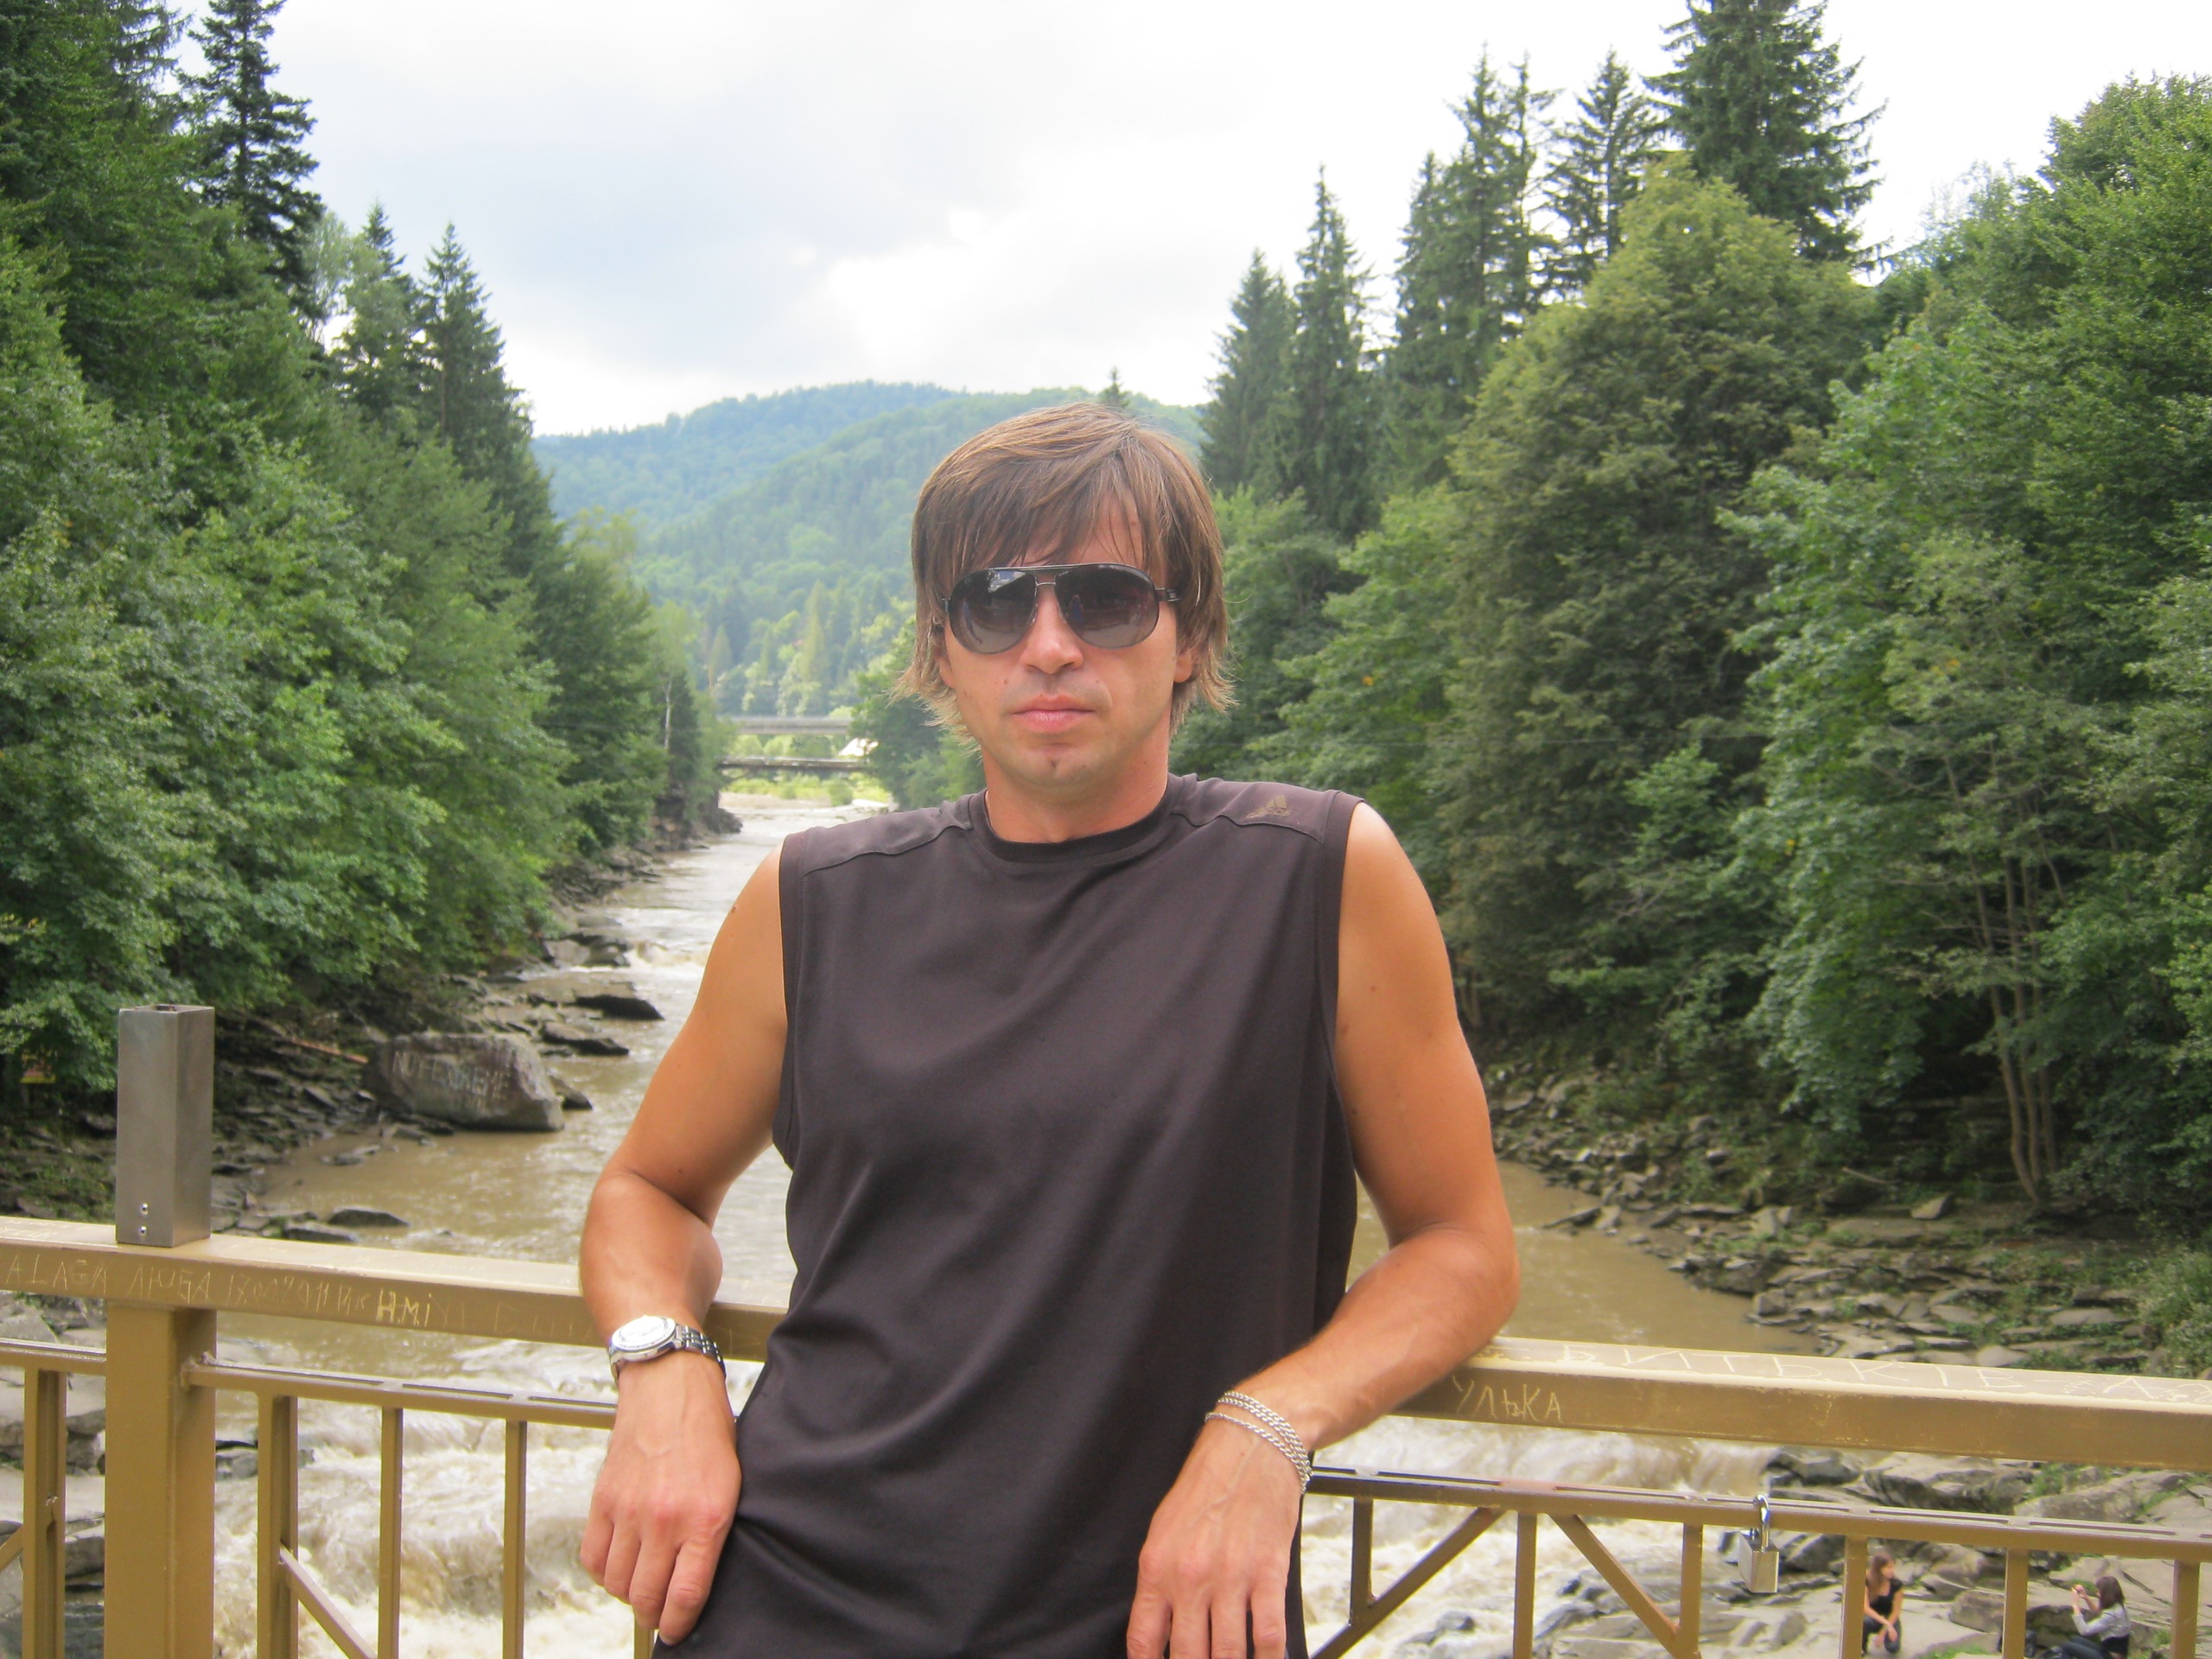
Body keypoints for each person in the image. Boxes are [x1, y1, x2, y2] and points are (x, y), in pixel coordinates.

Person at [575, 402, 1520, 1659]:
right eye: (994, 605)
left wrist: (1270, 1424)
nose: (1051, 645)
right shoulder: (813, 900)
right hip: (788, 1603)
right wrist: (664, 1365)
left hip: (1166, 1620)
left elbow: (1462, 1247)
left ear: (1189, 634)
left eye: (1108, 599)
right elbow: (647, 1190)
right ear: (940, 648)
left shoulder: (1318, 878)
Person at [2050, 1577, 2131, 1659]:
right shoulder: (2120, 1606)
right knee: (2075, 1639)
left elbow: (2084, 1630)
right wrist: (2085, 1597)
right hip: (2106, 1651)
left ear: (2106, 1594)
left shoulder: (2112, 1614)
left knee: (2067, 1647)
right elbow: (2099, 1613)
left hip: (2110, 1656)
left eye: (2099, 1591)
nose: (2097, 1594)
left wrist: (2075, 1605)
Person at [1862, 1551, 1903, 1656]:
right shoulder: (1866, 1579)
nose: (1892, 1571)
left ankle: (1887, 1639)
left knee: (1893, 1648)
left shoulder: (1897, 1584)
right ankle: (1862, 1647)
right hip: (1872, 1617)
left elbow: (1896, 1612)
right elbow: (1865, 1608)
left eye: (1893, 1567)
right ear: (1879, 1568)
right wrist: (1886, 1624)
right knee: (1865, 1621)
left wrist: (1884, 1630)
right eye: (1888, 1568)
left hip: (1889, 1617)